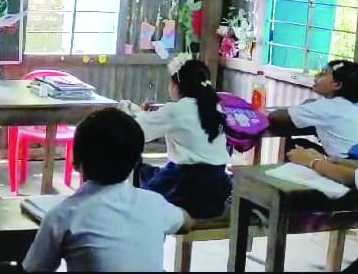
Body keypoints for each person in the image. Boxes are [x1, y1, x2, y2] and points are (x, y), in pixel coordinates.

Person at [22, 108, 194, 272]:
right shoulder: (154, 203)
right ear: (135, 163)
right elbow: (187, 222)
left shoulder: (61, 216)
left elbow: (34, 268)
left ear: (75, 160)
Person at [118, 55, 232, 219]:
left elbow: (138, 129)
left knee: (142, 199)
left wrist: (127, 107)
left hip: (187, 188)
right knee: (148, 173)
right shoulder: (215, 107)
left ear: (178, 86)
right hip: (217, 189)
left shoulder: (176, 110)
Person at [269, 60, 358, 159]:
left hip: (346, 165)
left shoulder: (327, 106)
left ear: (337, 84)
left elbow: (277, 116)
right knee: (302, 143)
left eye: (323, 73)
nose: (316, 76)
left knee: (297, 146)